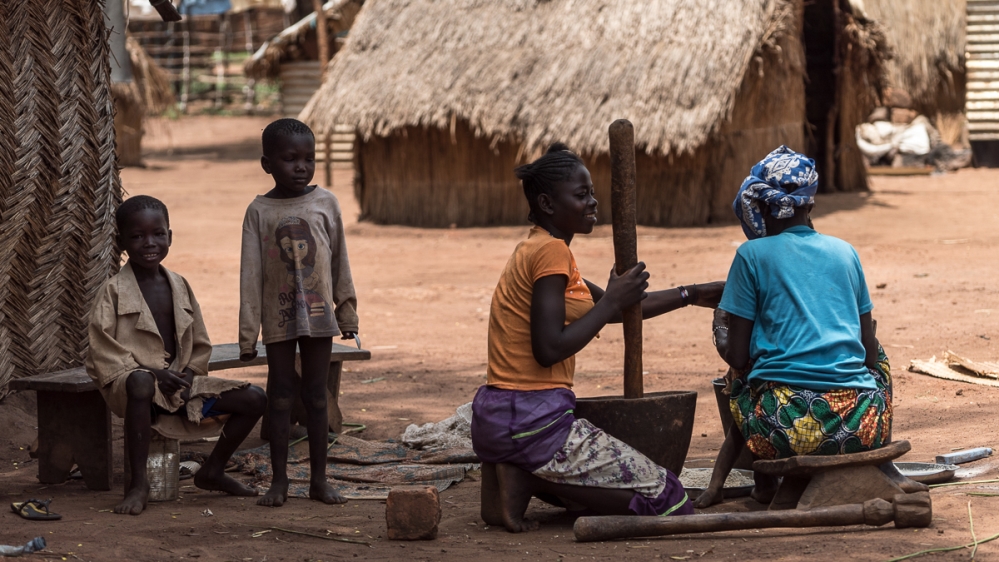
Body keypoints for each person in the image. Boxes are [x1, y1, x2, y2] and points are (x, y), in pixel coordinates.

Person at [472, 143, 725, 532]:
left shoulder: (541, 249)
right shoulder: (550, 253)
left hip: (502, 418)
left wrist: (695, 294)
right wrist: (611, 305)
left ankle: (516, 472)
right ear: (546, 203)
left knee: (604, 490)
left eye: (592, 193)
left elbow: (620, 306)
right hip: (532, 420)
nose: (592, 203)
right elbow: (549, 348)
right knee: (669, 499)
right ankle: (524, 476)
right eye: (581, 195)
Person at [693, 146, 925, 508]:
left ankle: (757, 481)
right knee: (878, 353)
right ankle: (887, 466)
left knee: (740, 372)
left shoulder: (750, 255)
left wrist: (721, 328)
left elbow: (737, 355)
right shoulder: (845, 251)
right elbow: (866, 350)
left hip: (785, 432)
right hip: (863, 427)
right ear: (810, 205)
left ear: (762, 206)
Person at [86, 195, 267, 516]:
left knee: (254, 398)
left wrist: (189, 375)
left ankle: (212, 471)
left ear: (170, 235)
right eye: (137, 236)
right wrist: (154, 374)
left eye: (158, 234)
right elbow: (102, 352)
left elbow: (199, 342)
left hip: (180, 390)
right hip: (134, 392)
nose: (149, 243)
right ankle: (139, 484)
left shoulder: (180, 285)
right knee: (141, 381)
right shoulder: (113, 291)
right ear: (121, 242)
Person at [239, 118, 358, 507]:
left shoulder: (326, 203)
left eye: (309, 158)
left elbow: (340, 261)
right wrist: (247, 333)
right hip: (277, 318)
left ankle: (319, 481)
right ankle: (280, 481)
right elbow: (251, 273)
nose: (301, 167)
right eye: (290, 159)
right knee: (281, 396)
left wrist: (348, 313)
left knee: (317, 397)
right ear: (267, 163)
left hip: (321, 317)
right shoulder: (258, 212)